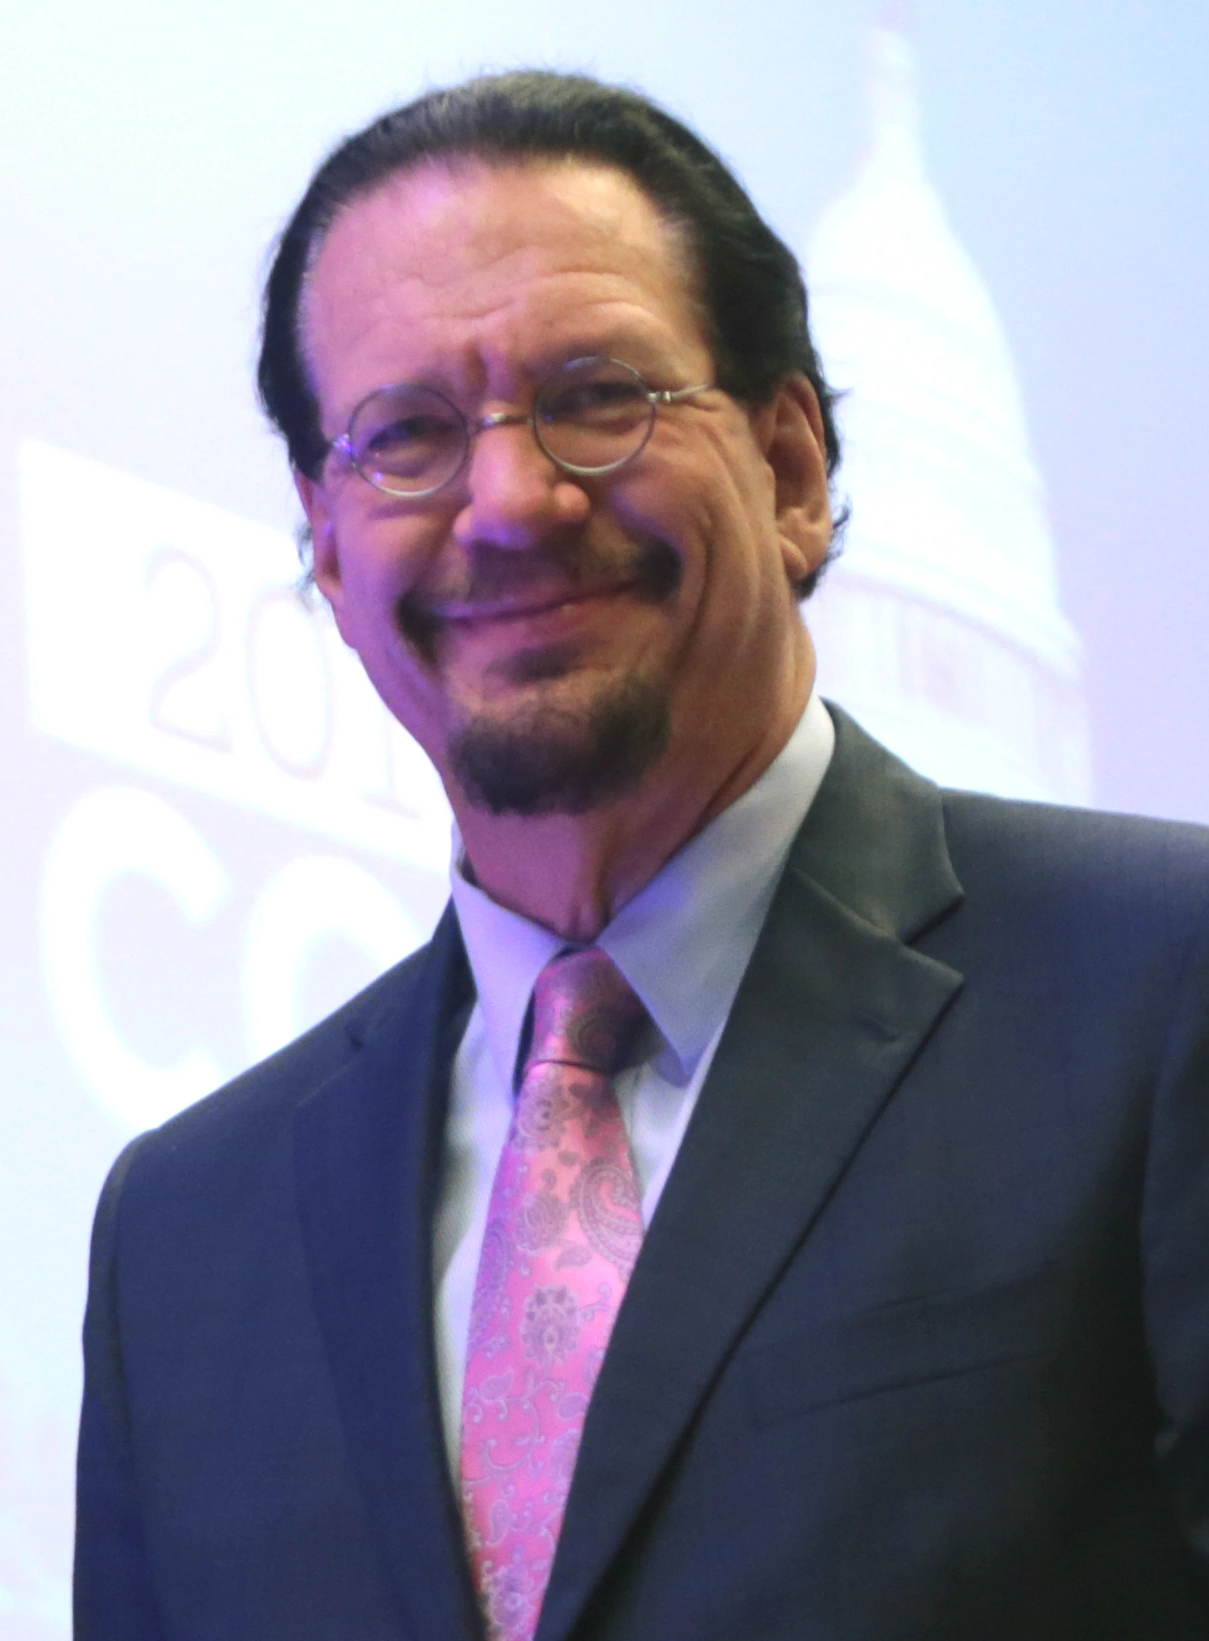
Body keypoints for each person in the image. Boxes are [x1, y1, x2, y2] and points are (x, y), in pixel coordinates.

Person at [74, 70, 1209, 1641]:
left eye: (598, 396)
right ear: (326, 546)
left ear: (791, 469)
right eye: (407, 437)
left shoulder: (1160, 992)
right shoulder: (185, 1234)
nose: (509, 502)